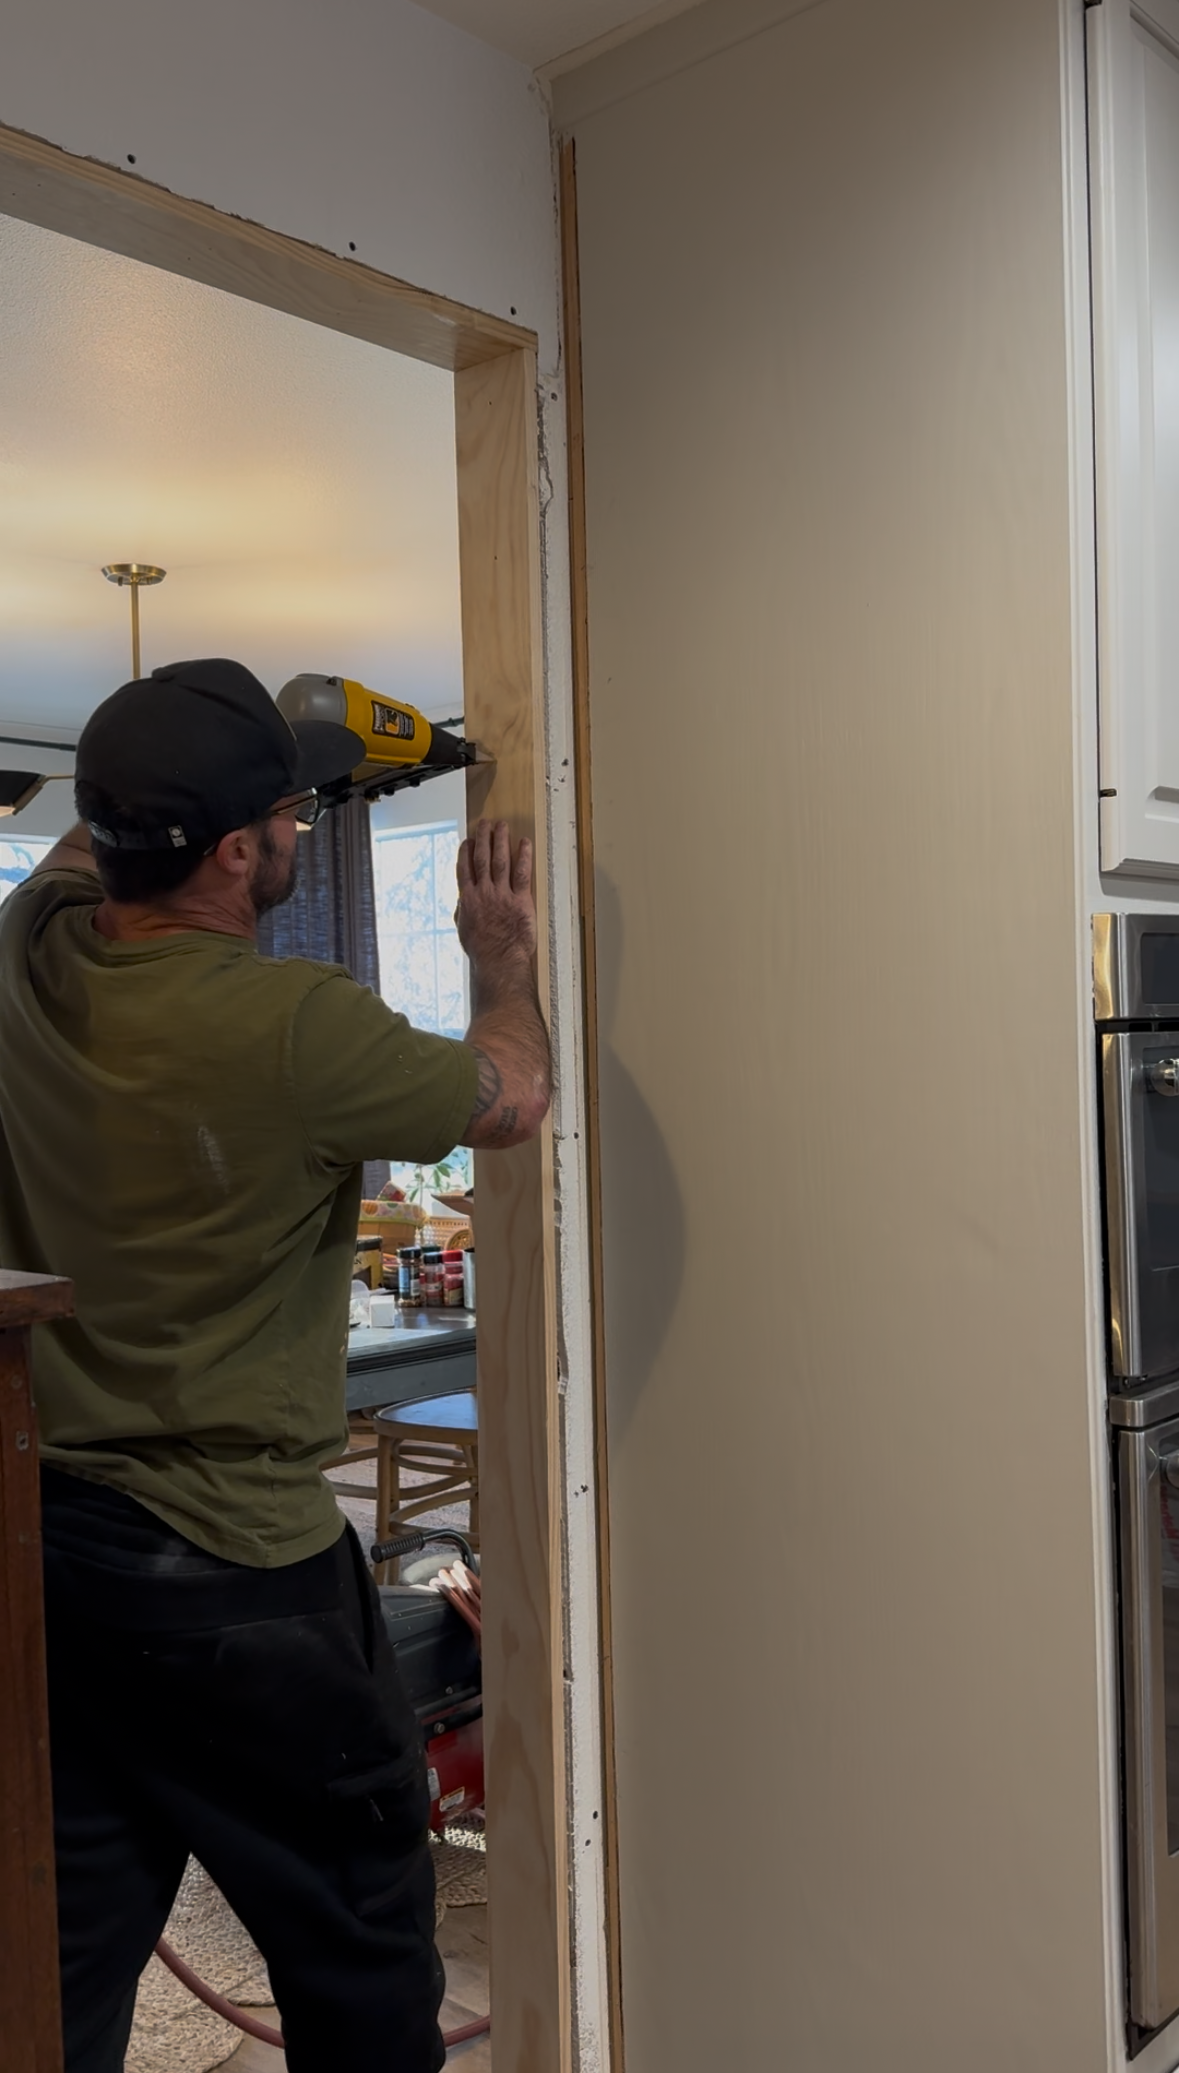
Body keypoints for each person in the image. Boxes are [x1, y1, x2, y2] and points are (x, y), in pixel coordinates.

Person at [0, 657, 550, 2073]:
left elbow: (79, 846)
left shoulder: (32, 955)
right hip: (240, 1578)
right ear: (242, 848)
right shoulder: (303, 1027)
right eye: (292, 823)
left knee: (62, 1941)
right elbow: (513, 1093)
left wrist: (249, 756)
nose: (303, 844)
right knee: (356, 1942)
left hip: (46, 1557)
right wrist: (499, 954)